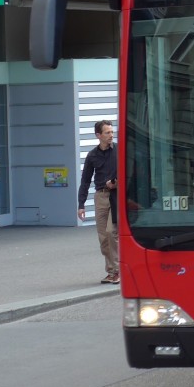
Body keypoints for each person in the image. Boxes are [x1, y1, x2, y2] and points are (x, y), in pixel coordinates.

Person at [78, 120, 119, 284]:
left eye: (112, 132)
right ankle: (111, 271)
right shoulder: (92, 155)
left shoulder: (118, 151)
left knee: (111, 233)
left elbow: (129, 172)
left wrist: (116, 182)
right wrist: (81, 205)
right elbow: (85, 180)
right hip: (100, 197)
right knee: (103, 238)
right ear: (98, 135)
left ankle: (117, 271)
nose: (111, 135)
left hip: (116, 196)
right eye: (107, 132)